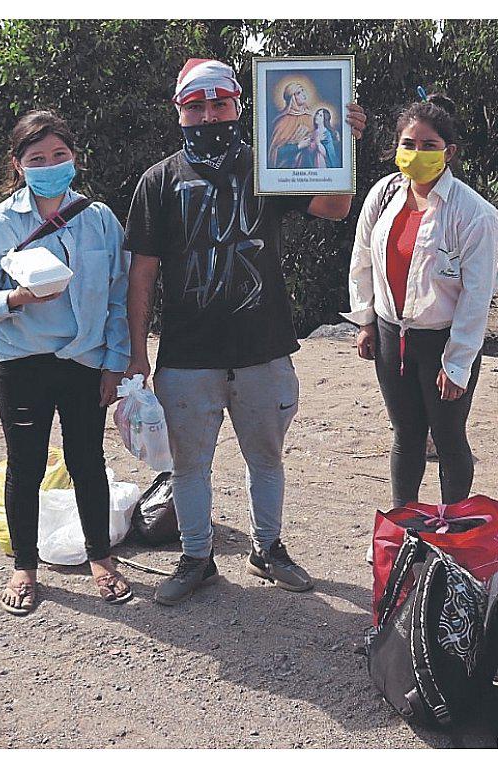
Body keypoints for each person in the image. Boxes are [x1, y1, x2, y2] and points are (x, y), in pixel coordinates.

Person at [123, 58, 366, 606]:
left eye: (220, 104)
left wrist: (343, 146)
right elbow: (142, 271)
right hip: (187, 354)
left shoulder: (270, 166)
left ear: (239, 105)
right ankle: (196, 557)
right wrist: (137, 352)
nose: (209, 115)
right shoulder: (158, 181)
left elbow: (333, 206)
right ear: (179, 112)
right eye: (197, 106)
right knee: (188, 465)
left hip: (263, 348)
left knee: (267, 458)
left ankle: (268, 548)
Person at [0, 110, 132, 615]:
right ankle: (24, 567)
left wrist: (114, 364)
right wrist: (15, 300)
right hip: (22, 361)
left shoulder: (99, 219)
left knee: (87, 461)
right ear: (18, 165)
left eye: (60, 155)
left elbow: (118, 297)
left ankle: (101, 558)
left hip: (84, 360)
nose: (51, 165)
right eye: (37, 158)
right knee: (27, 465)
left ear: (74, 158)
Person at [342, 93, 498, 511]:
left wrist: (457, 362)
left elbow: (476, 296)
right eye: (408, 144)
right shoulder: (383, 195)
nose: (416, 154)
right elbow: (362, 258)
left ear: (448, 152)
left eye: (428, 146)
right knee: (406, 433)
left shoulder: (475, 214)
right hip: (392, 336)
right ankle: (403, 527)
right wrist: (365, 320)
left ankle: (451, 528)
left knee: (449, 439)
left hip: (443, 341)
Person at [268, 80, 315, 168]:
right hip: (288, 172)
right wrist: (298, 146)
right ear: (292, 98)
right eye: (298, 93)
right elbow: (275, 152)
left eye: (303, 90)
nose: (303, 94)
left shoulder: (310, 118)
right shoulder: (283, 121)